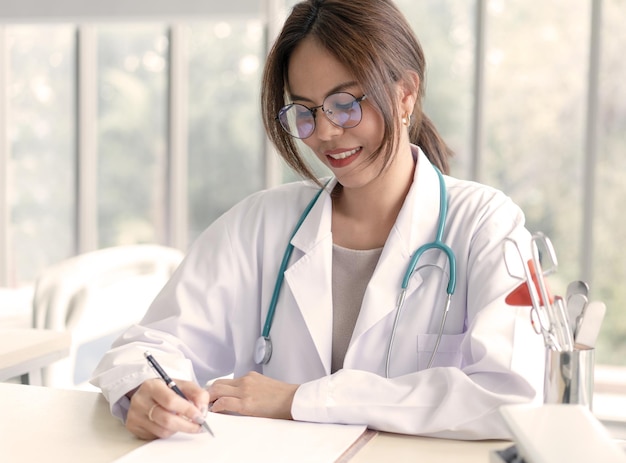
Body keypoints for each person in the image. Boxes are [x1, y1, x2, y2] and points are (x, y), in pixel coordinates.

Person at [91, 0, 544, 441]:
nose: (324, 131)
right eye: (305, 111)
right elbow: (147, 346)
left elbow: (510, 396)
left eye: (345, 103)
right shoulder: (260, 224)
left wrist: (300, 400)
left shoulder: (486, 224)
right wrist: (147, 394)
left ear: (406, 93)